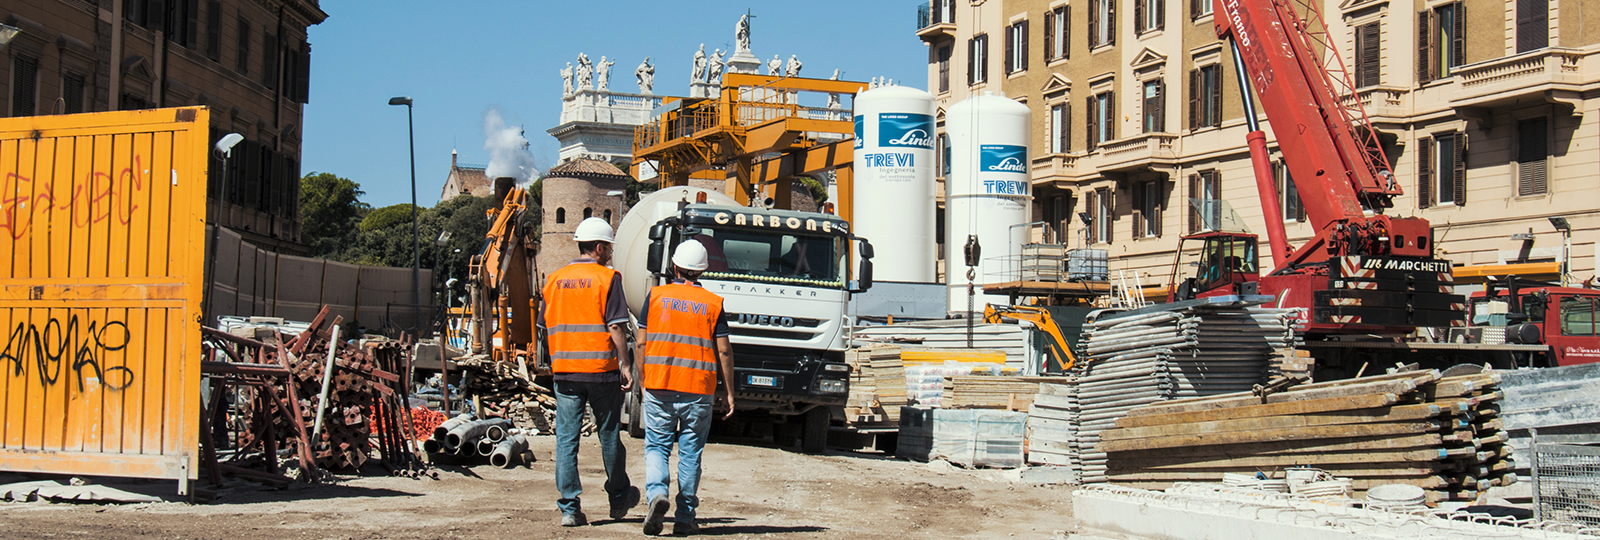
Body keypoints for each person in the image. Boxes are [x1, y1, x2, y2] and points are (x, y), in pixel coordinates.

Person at [539, 217, 639, 527]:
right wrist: (625, 364)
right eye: (608, 248)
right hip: (600, 372)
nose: (610, 253)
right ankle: (619, 496)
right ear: (598, 248)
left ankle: (570, 508)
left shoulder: (554, 280)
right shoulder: (608, 279)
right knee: (609, 436)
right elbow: (616, 326)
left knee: (566, 440)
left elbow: (544, 327)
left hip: (566, 373)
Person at [635, 241, 736, 536]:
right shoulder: (712, 303)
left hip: (660, 384)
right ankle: (685, 517)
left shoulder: (655, 296)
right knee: (691, 454)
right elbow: (725, 351)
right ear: (703, 270)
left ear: (675, 267)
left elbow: (641, 343)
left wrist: (643, 382)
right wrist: (729, 392)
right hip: (698, 389)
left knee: (656, 447)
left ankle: (657, 496)